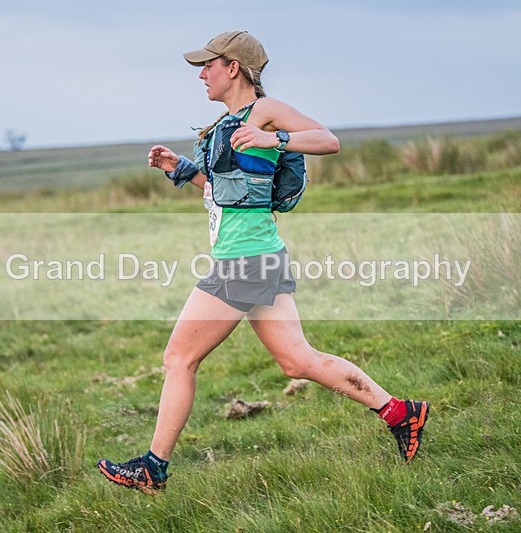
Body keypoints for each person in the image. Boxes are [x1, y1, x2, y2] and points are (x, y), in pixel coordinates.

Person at [97, 30, 428, 493]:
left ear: (233, 67)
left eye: (208, 65)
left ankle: (153, 468)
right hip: (259, 258)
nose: (201, 73)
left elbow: (328, 140)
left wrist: (278, 140)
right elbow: (231, 197)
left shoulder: (264, 113)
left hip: (244, 262)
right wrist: (182, 169)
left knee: (178, 358)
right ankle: (401, 412)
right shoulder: (224, 125)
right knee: (297, 361)